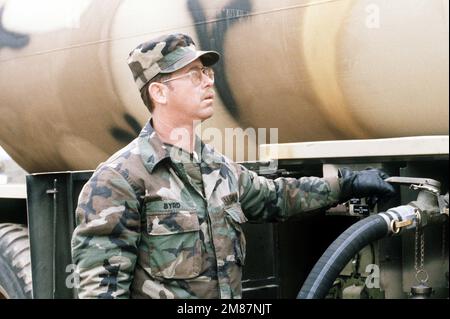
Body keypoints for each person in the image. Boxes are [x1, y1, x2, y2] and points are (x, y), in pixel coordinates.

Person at [71, 33, 395, 299]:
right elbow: (101, 292)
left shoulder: (217, 168)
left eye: (208, 73)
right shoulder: (119, 180)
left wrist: (347, 184)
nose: (208, 83)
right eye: (194, 75)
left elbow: (276, 197)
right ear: (159, 91)